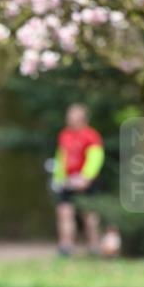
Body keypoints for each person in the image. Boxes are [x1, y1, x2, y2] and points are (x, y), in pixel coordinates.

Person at [52, 103, 104, 256]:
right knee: (64, 213)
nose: (69, 119)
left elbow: (96, 158)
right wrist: (58, 178)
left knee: (89, 215)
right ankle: (65, 247)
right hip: (67, 181)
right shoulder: (65, 135)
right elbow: (61, 157)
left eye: (73, 116)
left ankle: (94, 247)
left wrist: (86, 177)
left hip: (86, 182)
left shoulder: (91, 136)